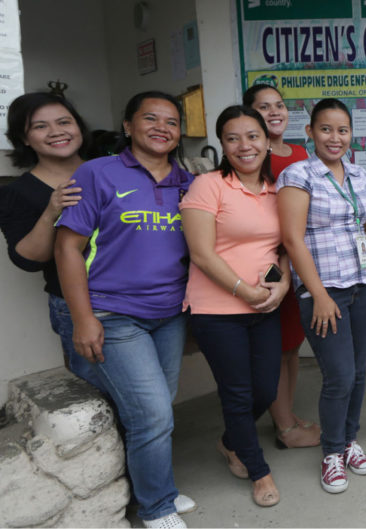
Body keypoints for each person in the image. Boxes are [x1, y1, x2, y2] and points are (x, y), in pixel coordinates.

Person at [54, 91, 196, 528]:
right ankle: (156, 507)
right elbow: (67, 247)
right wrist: (83, 318)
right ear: (128, 125)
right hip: (114, 313)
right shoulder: (97, 173)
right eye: (149, 118)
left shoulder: (186, 182)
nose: (161, 128)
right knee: (151, 412)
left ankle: (154, 487)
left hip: (169, 313)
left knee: (155, 408)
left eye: (171, 122)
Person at [180, 105, 290, 507]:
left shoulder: (278, 189)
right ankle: (258, 471)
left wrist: (282, 286)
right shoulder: (208, 185)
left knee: (264, 388)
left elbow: (283, 247)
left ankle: (230, 442)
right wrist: (246, 291)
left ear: (266, 140)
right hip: (217, 310)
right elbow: (202, 254)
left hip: (266, 305)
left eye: (253, 136)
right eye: (233, 138)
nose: (245, 146)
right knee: (238, 393)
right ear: (222, 145)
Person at [278, 98, 366, 494]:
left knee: (356, 372)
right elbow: (291, 238)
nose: (334, 138)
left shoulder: (357, 174)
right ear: (310, 133)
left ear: (351, 135)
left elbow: (365, 227)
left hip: (362, 284)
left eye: (342, 130)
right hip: (325, 290)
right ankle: (332, 452)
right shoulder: (297, 175)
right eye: (325, 129)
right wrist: (317, 294)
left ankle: (350, 440)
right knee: (337, 376)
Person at [0, 93, 97, 387]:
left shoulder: (112, 169)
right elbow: (28, 259)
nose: (56, 132)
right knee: (98, 398)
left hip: (138, 296)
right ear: (24, 139)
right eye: (40, 126)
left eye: (64, 122)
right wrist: (51, 210)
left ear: (78, 126)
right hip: (77, 305)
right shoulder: (18, 192)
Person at [243, 83, 320, 449]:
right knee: (274, 347)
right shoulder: (250, 155)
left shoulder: (303, 152)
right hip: (271, 261)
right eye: (264, 107)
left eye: (280, 105)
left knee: (292, 346)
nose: (275, 112)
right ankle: (285, 427)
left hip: (302, 258)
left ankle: (285, 416)